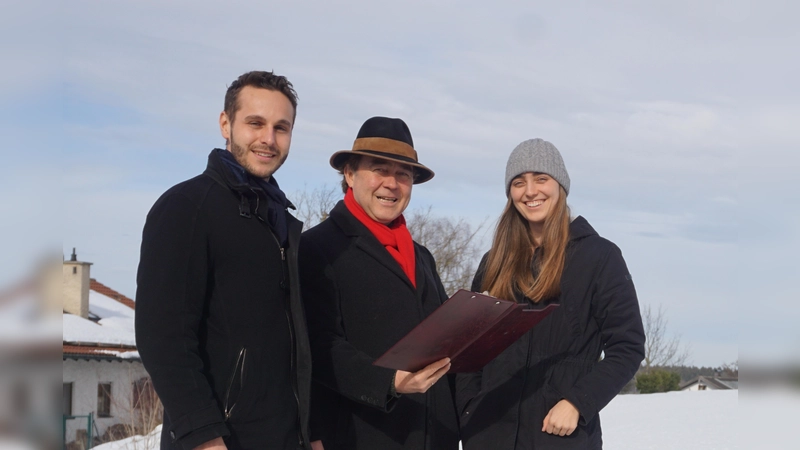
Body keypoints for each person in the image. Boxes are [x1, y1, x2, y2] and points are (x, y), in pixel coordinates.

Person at [135, 71, 312, 450]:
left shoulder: (280, 222)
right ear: (225, 124)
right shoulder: (187, 207)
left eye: (282, 127)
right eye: (255, 123)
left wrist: (309, 431)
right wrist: (204, 437)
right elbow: (163, 337)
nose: (269, 138)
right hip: (222, 440)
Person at [456, 139, 645, 449]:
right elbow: (469, 350)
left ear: (560, 186)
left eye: (541, 179)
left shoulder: (599, 257)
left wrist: (577, 402)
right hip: (489, 436)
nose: (530, 191)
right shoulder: (494, 262)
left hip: (560, 438)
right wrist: (469, 409)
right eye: (519, 182)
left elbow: (628, 346)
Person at [299, 117, 460, 450]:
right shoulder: (318, 248)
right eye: (379, 169)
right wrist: (390, 381)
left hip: (432, 437)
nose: (392, 183)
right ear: (349, 174)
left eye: (403, 174)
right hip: (359, 436)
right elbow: (316, 345)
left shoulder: (422, 256)